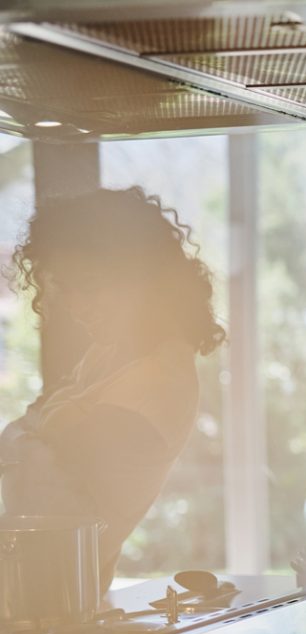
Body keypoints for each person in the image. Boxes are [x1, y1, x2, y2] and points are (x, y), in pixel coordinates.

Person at [1, 187, 225, 590]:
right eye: (64, 287)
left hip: (51, 597)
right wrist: (35, 432)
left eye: (89, 286)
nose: (73, 306)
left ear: (143, 279)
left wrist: (30, 432)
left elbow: (33, 474)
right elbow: (28, 437)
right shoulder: (111, 355)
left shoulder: (157, 379)